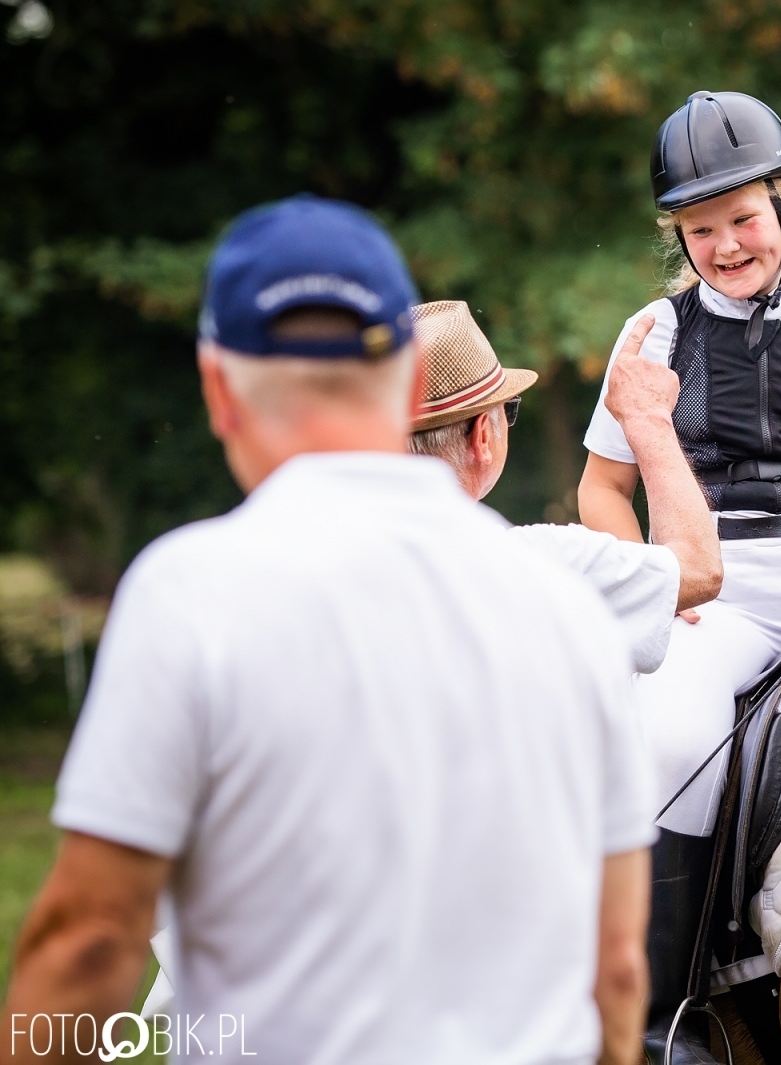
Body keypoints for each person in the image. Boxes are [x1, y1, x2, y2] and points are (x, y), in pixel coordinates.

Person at [0, 195, 656, 1065]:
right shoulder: (569, 613)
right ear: (406, 387)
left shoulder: (191, 594)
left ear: (217, 392)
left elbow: (89, 944)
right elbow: (616, 966)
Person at [577, 90, 781, 1064]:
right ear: (676, 236)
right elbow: (600, 489)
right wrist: (652, 584)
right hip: (708, 590)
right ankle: (663, 1015)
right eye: (699, 229)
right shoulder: (652, 334)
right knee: (678, 731)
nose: (725, 244)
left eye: (741, 219)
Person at [407, 298, 721, 674]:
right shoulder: (551, 563)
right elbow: (700, 569)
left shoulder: (327, 563)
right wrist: (647, 417)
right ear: (481, 439)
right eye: (506, 411)